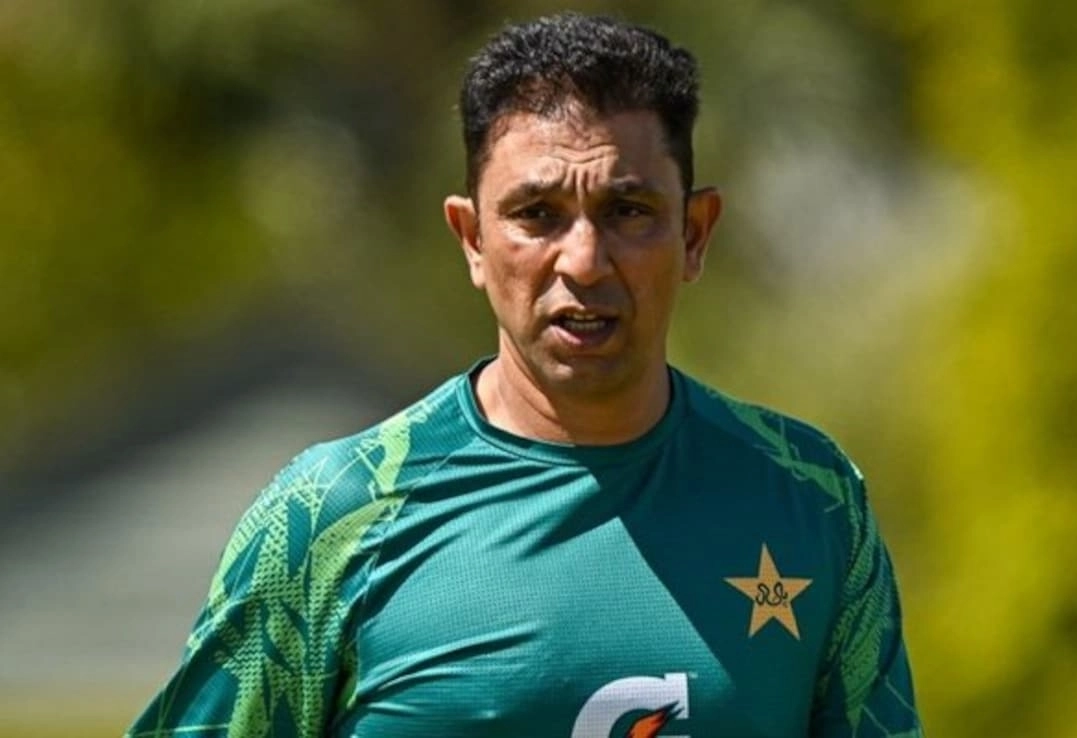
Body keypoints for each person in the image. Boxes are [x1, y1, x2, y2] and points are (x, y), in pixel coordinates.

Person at [127, 12, 922, 738]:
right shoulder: (333, 518)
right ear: (472, 238)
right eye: (537, 215)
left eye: (629, 211)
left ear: (694, 234)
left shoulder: (809, 497)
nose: (585, 261)